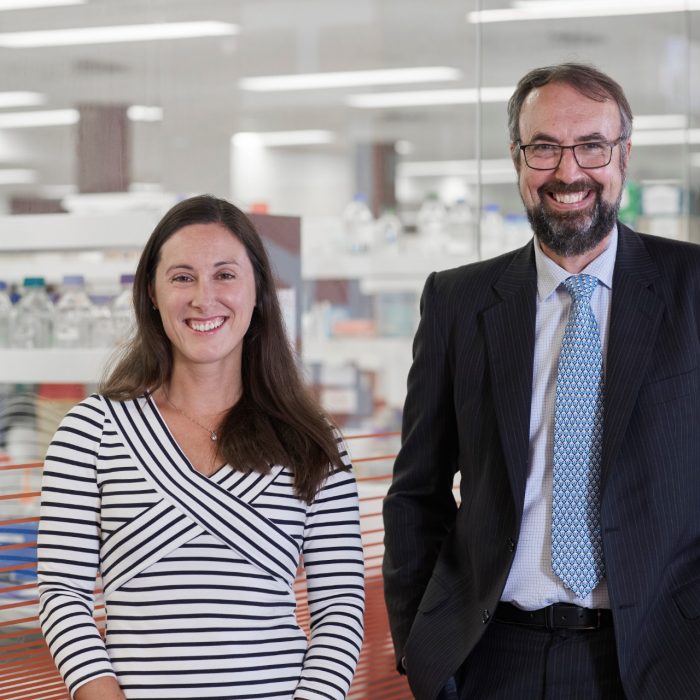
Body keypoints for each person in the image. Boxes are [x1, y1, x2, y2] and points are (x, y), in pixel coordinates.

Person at [383, 63, 700, 700]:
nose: (567, 171)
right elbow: (416, 493)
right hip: (492, 659)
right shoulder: (458, 301)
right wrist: (425, 650)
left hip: (663, 659)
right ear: (517, 158)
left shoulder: (691, 287)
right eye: (544, 147)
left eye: (591, 145)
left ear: (623, 155)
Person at [38, 195, 365, 700]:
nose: (203, 298)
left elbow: (341, 605)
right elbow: (62, 596)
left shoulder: (311, 440)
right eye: (182, 276)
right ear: (151, 292)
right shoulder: (91, 431)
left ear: (259, 292)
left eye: (226, 275)